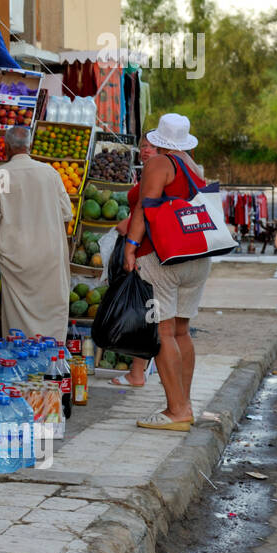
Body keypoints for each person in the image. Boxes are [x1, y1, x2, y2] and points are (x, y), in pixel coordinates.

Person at [122, 113, 211, 431]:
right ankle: (184, 403)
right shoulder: (192, 166)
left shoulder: (159, 164)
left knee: (161, 332)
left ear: (159, 139)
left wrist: (131, 246)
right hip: (197, 256)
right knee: (182, 332)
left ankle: (177, 410)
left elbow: (146, 209)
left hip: (164, 258)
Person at [0, 125, 73, 342]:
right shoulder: (50, 173)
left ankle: (20, 356)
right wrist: (56, 242)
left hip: (16, 254)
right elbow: (67, 214)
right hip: (49, 253)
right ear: (29, 146)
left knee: (17, 313)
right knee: (51, 308)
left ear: (6, 147)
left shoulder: (2, 174)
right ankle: (52, 355)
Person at [111, 134, 158, 387]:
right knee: (147, 311)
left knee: (146, 312)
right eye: (143, 146)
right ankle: (140, 371)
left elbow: (149, 210)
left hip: (147, 250)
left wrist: (126, 228)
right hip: (143, 248)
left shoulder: (157, 175)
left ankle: (138, 373)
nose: (146, 150)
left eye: (151, 146)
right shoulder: (149, 173)